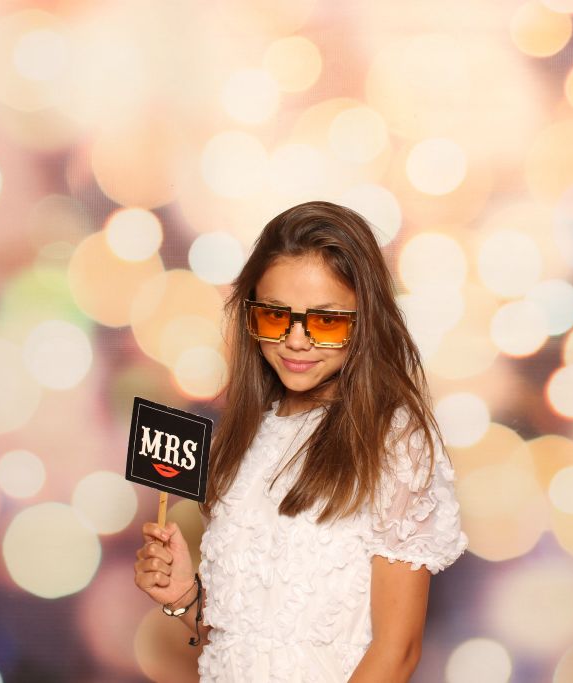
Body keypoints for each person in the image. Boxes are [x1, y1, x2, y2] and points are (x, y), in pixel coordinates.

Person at [134, 201, 467, 682]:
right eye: (275, 316)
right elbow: (247, 639)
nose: (295, 340)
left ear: (366, 320)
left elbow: (397, 652)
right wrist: (185, 595)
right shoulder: (245, 435)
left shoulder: (395, 441)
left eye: (326, 322)